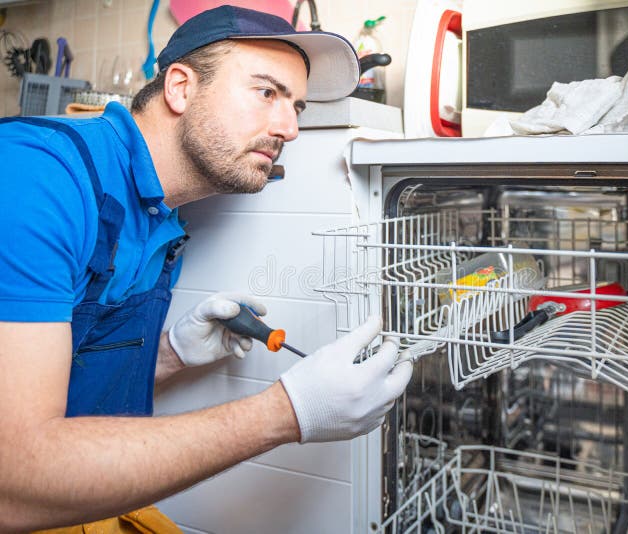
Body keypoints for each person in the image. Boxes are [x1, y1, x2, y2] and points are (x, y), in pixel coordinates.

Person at [0, 5, 412, 532]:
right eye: (267, 92)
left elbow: (60, 392)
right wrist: (288, 413)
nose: (290, 127)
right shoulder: (38, 179)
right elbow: (13, 477)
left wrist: (169, 356)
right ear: (180, 87)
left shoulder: (162, 215)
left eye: (298, 107)